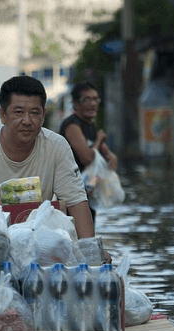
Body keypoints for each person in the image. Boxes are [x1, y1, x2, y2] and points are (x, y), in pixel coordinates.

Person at [0, 75, 111, 264]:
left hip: (41, 248)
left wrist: (91, 252)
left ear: (43, 115)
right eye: (18, 112)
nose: (27, 120)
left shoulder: (57, 147)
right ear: (2, 115)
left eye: (34, 112)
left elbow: (77, 203)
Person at [59, 81, 118, 224]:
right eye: (87, 99)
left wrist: (110, 156)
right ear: (76, 104)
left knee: (89, 235)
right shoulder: (72, 125)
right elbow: (86, 158)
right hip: (71, 196)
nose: (93, 103)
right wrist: (98, 141)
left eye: (95, 99)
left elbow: (109, 157)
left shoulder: (90, 126)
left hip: (87, 192)